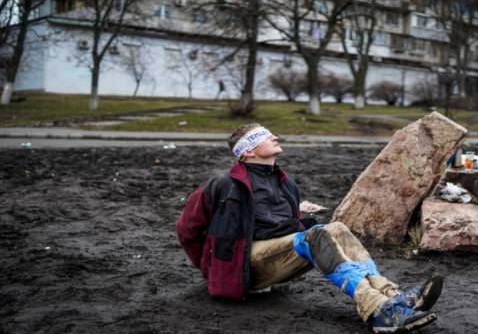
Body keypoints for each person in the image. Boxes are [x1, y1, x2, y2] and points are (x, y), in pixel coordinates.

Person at [176, 123, 443, 333]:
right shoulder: (222, 185)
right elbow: (187, 229)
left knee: (336, 227)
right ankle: (377, 309)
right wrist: (212, 269)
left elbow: (288, 227)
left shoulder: (286, 184)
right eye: (264, 136)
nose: (274, 137)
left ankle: (392, 296)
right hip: (245, 265)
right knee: (314, 235)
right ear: (247, 151)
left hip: (276, 257)